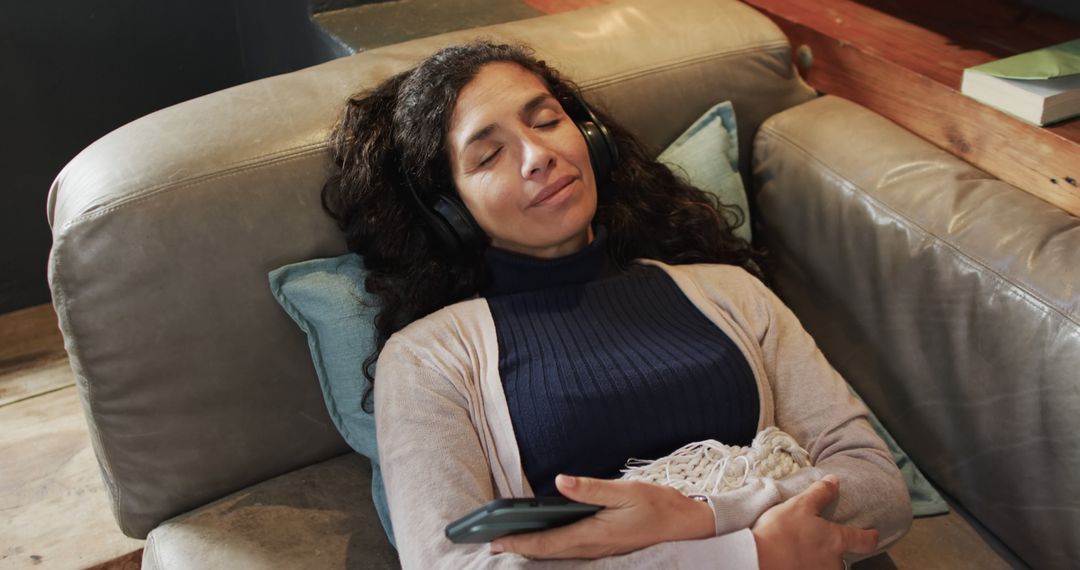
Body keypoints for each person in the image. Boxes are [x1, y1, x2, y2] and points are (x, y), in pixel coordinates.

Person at [322, 40, 911, 568]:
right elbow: (455, 565)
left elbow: (878, 489)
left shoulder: (730, 292)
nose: (536, 156)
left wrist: (699, 517)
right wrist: (745, 553)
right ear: (450, 213)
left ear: (590, 138)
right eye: (488, 155)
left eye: (547, 121)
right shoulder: (427, 359)